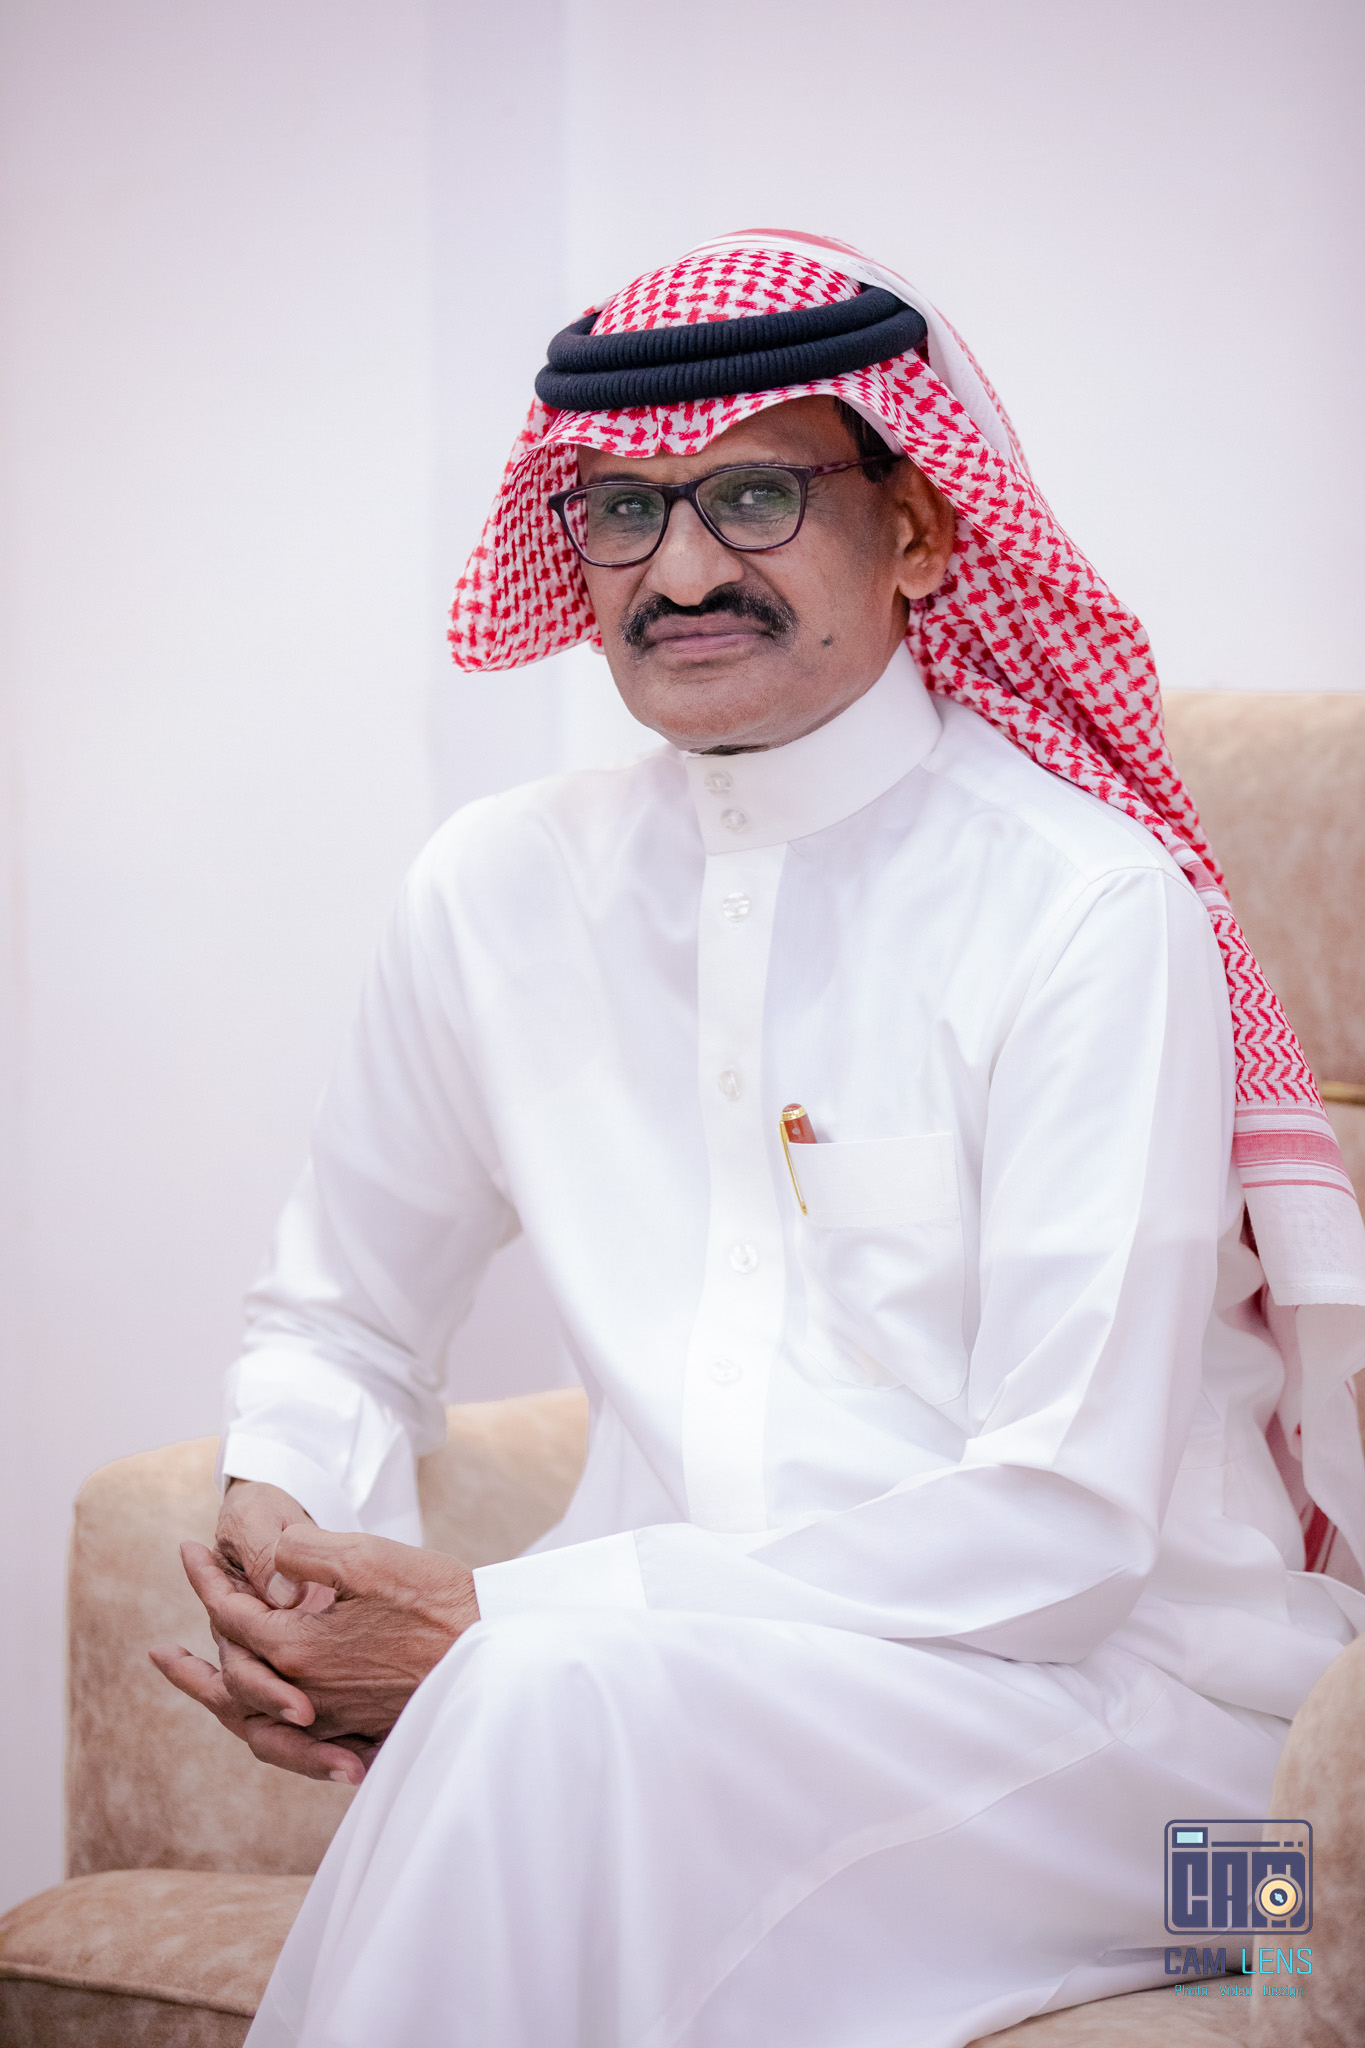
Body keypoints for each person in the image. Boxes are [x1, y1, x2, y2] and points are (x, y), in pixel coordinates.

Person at [152, 231, 1365, 2048]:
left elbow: (1061, 1534)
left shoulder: (1084, 906)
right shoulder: (498, 890)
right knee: (548, 1726)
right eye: (622, 511)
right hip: (662, 1699)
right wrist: (294, 1548)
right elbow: (338, 1323)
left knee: (539, 1713)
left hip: (1179, 1780)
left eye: (752, 494)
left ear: (919, 529)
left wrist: (496, 1618)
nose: (680, 568)